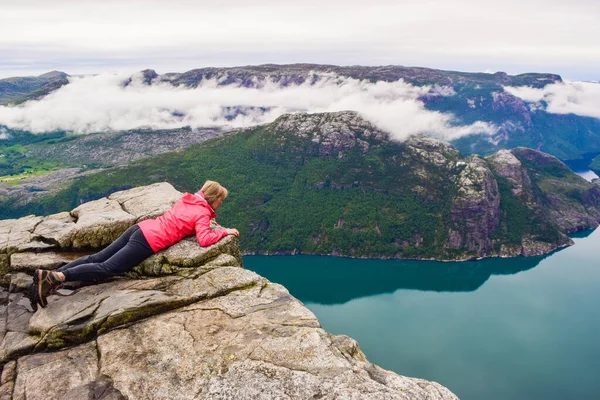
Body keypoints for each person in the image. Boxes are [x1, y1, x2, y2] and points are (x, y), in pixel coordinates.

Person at [31, 180, 239, 309]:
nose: (221, 203)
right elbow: (204, 240)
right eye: (220, 199)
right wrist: (224, 231)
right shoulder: (202, 212)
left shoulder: (188, 200)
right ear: (213, 198)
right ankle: (58, 277)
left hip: (140, 228)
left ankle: (47, 276)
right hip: (148, 240)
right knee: (107, 268)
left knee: (97, 258)